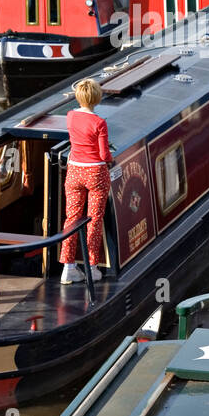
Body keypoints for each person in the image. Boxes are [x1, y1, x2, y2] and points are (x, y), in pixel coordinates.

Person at [59, 78, 114, 284]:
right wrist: (111, 160)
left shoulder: (70, 116)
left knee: (71, 219)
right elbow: (103, 153)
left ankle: (68, 267)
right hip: (95, 174)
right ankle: (92, 267)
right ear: (97, 98)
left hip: (74, 171)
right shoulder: (99, 122)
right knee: (94, 219)